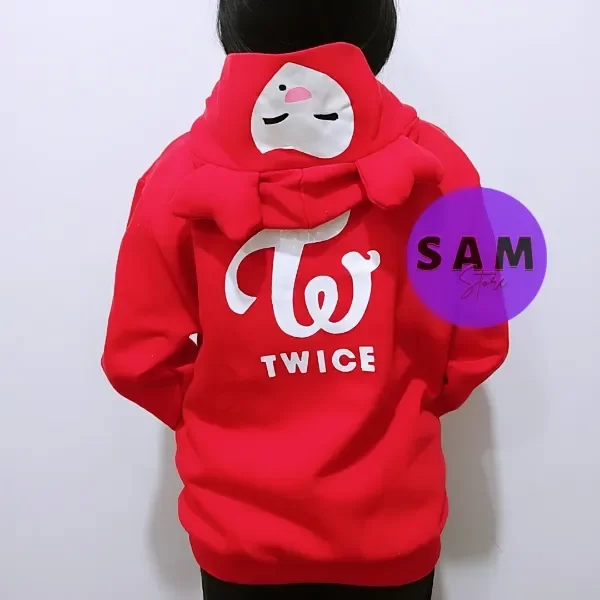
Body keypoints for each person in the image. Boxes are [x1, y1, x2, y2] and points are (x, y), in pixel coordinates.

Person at [102, 1, 509, 598]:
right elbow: (477, 340)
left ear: (235, 23)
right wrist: (402, 402)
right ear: (375, 24)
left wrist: (218, 412)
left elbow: (137, 358)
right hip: (391, 528)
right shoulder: (440, 167)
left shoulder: (175, 176)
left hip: (237, 536)